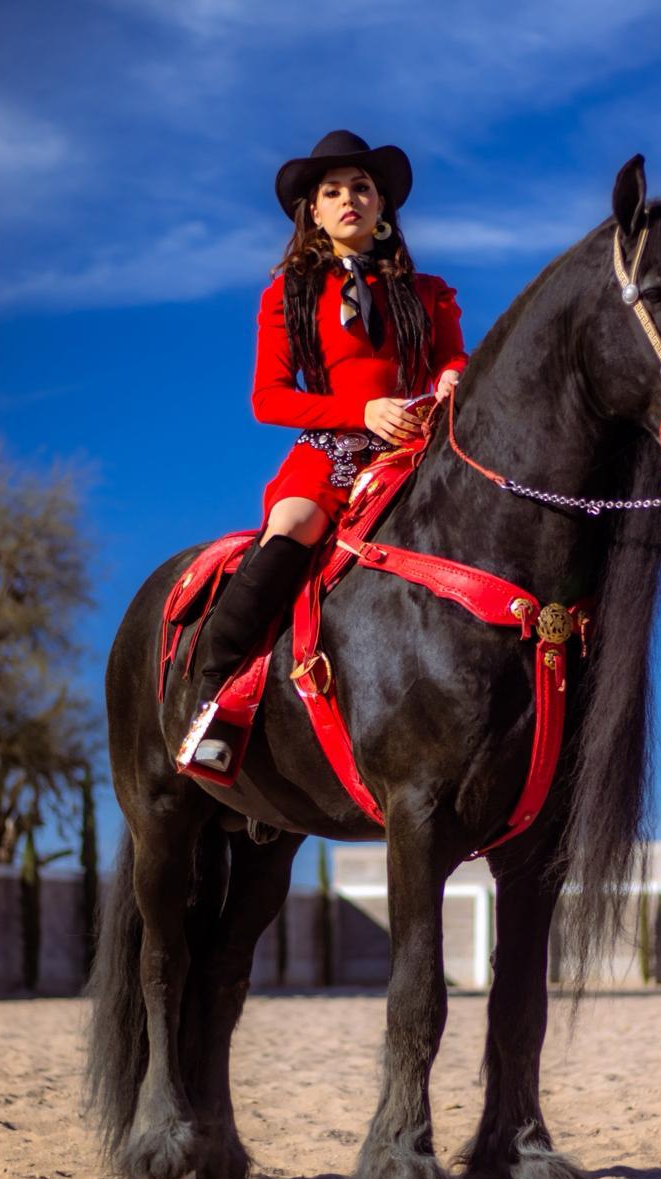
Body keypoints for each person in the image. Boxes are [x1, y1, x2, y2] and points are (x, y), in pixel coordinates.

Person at [177, 130, 469, 773]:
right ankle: (212, 700)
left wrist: (452, 375)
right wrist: (360, 411)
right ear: (313, 210)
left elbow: (452, 356)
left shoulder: (430, 293)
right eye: (332, 191)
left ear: (382, 205)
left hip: (415, 447)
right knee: (294, 524)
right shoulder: (287, 295)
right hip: (331, 450)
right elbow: (269, 400)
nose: (348, 199)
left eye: (361, 187)